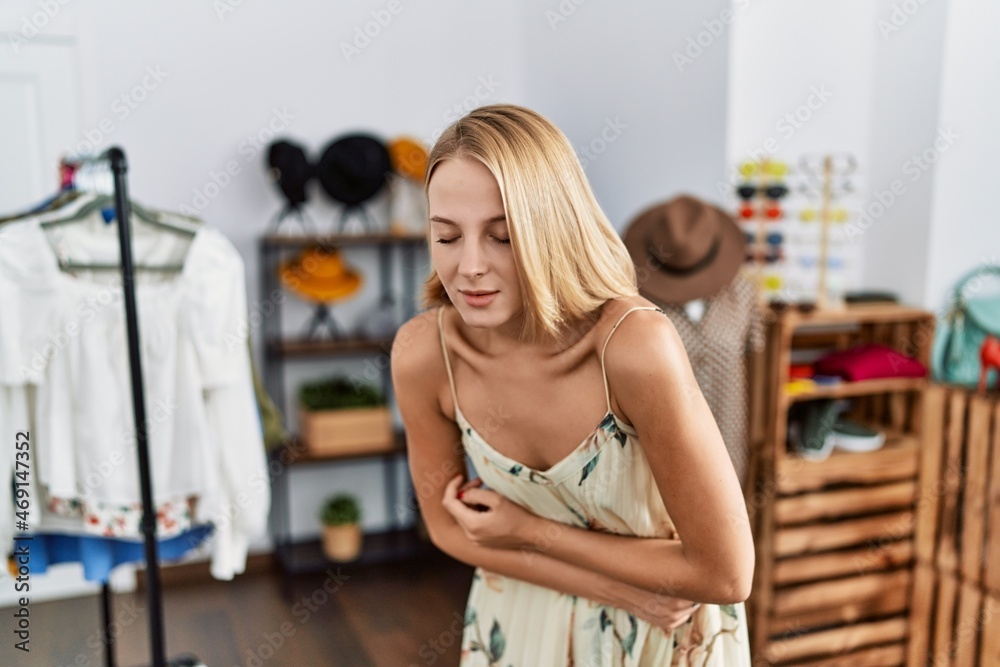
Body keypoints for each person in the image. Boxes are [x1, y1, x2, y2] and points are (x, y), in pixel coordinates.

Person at [391, 104, 753, 666]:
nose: (467, 267)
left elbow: (726, 574)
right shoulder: (423, 354)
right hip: (520, 622)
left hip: (663, 632)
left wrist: (530, 531)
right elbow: (445, 528)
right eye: (446, 236)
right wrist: (613, 588)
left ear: (552, 228)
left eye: (501, 237)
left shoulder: (633, 347)